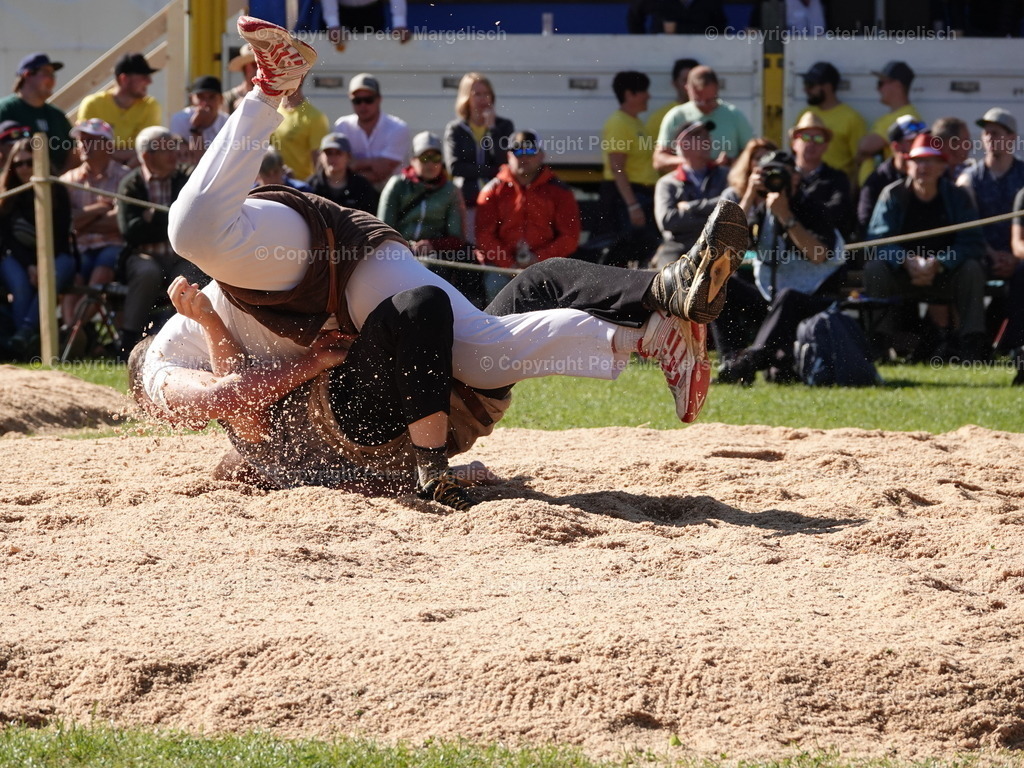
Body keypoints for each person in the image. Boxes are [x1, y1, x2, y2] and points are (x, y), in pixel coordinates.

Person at [153, 16, 749, 500]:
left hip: (304, 269)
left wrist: (209, 322)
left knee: (196, 231)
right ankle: (663, 302)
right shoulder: (221, 381)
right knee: (504, 328)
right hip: (370, 326)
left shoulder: (177, 342)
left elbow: (222, 402)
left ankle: (269, 88)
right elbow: (233, 413)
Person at [715, 124, 851, 384]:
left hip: (815, 300)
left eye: (781, 174)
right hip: (773, 300)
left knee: (788, 298)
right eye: (767, 174)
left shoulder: (812, 207)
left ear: (796, 178)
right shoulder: (761, 207)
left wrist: (786, 216)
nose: (775, 180)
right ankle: (731, 362)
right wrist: (750, 195)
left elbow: (819, 255)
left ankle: (751, 359)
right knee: (723, 284)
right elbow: (729, 246)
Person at [864, 133, 988, 362]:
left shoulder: (958, 197)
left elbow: (972, 243)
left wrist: (940, 262)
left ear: (943, 166)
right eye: (918, 160)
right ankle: (878, 343)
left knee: (972, 268)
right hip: (902, 274)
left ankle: (972, 345)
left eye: (931, 161)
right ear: (907, 165)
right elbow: (877, 241)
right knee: (875, 268)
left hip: (945, 275)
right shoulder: (892, 195)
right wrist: (905, 261)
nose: (924, 167)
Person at [117, 126, 206, 358]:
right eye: (166, 149)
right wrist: (170, 219)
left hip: (180, 256)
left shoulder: (187, 177)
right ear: (147, 156)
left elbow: (193, 218)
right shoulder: (131, 184)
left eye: (174, 147)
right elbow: (131, 232)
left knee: (193, 275)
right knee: (146, 272)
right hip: (144, 256)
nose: (174, 154)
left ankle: (195, 342)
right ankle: (128, 344)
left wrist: (152, 218)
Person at [475, 130, 581, 303]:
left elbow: (569, 238)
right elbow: (484, 237)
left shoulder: (561, 192)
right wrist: (510, 265)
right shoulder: (492, 191)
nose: (523, 156)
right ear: (508, 155)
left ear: (541, 155)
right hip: (502, 268)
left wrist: (538, 259)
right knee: (495, 284)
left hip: (547, 267)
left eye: (530, 150)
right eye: (517, 150)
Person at [380, 131, 480, 306]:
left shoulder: (451, 190)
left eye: (436, 157)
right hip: (397, 252)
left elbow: (458, 239)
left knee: (433, 271)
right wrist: (406, 246)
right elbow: (382, 230)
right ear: (413, 160)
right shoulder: (397, 185)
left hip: (436, 257)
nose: (431, 164)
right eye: (425, 158)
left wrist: (432, 245)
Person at [0, 138, 75, 359]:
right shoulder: (8, 194)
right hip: (17, 257)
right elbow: (8, 239)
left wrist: (42, 265)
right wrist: (31, 265)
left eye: (29, 162)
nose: (24, 168)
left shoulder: (57, 191)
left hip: (57, 255)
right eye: (19, 163)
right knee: (21, 285)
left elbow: (60, 237)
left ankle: (22, 337)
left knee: (51, 278)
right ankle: (24, 344)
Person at [58, 119, 131, 337]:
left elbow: (121, 222)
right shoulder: (67, 180)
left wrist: (83, 220)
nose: (84, 146)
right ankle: (74, 334)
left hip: (113, 248)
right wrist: (101, 208)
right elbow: (67, 223)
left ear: (108, 145)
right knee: (75, 280)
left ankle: (71, 334)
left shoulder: (125, 177)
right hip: (79, 249)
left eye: (91, 141)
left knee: (101, 273)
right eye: (81, 141)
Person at [957, 108, 1024, 284]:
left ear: (1012, 138)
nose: (989, 138)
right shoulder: (969, 179)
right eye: (986, 133)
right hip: (982, 256)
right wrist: (991, 254)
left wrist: (1015, 258)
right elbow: (966, 226)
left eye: (995, 133)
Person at [600, 71, 660, 267]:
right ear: (629, 94)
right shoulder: (619, 122)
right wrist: (632, 205)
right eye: (644, 91)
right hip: (627, 197)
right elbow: (617, 166)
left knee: (642, 250)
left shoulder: (635, 122)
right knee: (623, 252)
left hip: (639, 195)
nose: (649, 96)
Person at [442, 72, 514, 233]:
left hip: (498, 200)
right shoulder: (455, 129)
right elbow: (455, 168)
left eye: (487, 94)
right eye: (477, 94)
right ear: (466, 98)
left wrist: (492, 130)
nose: (483, 99)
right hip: (468, 200)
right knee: (470, 246)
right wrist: (493, 170)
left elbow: (505, 162)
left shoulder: (504, 126)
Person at [652, 119, 729, 269]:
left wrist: (690, 207)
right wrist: (713, 217)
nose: (707, 141)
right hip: (678, 252)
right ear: (682, 144)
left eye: (707, 136)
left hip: (716, 252)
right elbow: (668, 221)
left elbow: (730, 207)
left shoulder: (726, 176)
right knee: (667, 281)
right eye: (699, 137)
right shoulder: (667, 183)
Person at [654, 65, 753, 172]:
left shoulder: (734, 115)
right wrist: (693, 162)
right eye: (698, 100)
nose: (705, 105)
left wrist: (730, 162)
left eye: (710, 100)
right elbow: (659, 160)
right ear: (687, 88)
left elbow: (752, 155)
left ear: (717, 89)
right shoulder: (677, 116)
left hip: (726, 182)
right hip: (687, 185)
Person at [77, 52, 162, 168]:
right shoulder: (92, 104)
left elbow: (149, 148)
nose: (149, 81)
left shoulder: (151, 105)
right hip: (98, 171)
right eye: (143, 77)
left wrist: (107, 154)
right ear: (124, 79)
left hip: (135, 174)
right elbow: (86, 146)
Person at [332, 73, 409, 189]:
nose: (363, 105)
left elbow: (382, 173)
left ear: (379, 99)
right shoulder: (342, 126)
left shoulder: (398, 128)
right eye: (357, 101)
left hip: (392, 198)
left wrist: (354, 165)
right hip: (354, 194)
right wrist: (374, 163)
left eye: (368, 100)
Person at [856, 114, 927, 240]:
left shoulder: (932, 174)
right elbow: (865, 223)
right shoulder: (876, 180)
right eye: (912, 141)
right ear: (896, 147)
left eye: (921, 139)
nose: (919, 145)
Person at [0, 53, 74, 172]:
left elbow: (73, 152)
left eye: (53, 74)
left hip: (54, 187)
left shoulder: (57, 115)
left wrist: (60, 182)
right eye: (46, 73)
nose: (52, 79)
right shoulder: (5, 109)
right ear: (27, 75)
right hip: (13, 187)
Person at [797, 62, 866, 186]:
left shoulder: (852, 118)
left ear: (828, 87)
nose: (805, 90)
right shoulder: (806, 114)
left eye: (810, 85)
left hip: (836, 187)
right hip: (803, 185)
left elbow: (859, 161)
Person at [855, 61, 921, 185]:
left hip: (886, 188)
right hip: (874, 189)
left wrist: (865, 152)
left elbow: (865, 146)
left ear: (897, 85)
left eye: (881, 83)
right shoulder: (891, 117)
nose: (878, 88)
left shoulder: (907, 117)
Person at [271, 76, 329, 182]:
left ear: (300, 78)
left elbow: (318, 159)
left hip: (301, 187)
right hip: (273, 185)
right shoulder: (271, 110)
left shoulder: (315, 117)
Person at [306, 132, 377, 211]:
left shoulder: (362, 187)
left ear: (348, 157)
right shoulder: (310, 186)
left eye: (338, 153)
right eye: (329, 153)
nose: (333, 158)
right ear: (321, 156)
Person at [169, 76, 228, 167]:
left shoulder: (228, 123)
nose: (206, 103)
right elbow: (191, 163)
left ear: (221, 99)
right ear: (191, 99)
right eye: (200, 97)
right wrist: (195, 128)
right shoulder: (179, 119)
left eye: (211, 97)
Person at [645, 58, 699, 144]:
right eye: (685, 80)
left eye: (694, 80)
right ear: (675, 84)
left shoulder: (714, 113)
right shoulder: (659, 118)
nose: (689, 86)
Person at [322, 0, 410, 44]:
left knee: (371, 52)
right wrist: (333, 24)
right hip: (341, 12)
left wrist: (399, 24)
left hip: (371, 13)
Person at [224, 44, 257, 114]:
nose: (259, 70)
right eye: (255, 65)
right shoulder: (228, 98)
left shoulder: (270, 98)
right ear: (246, 68)